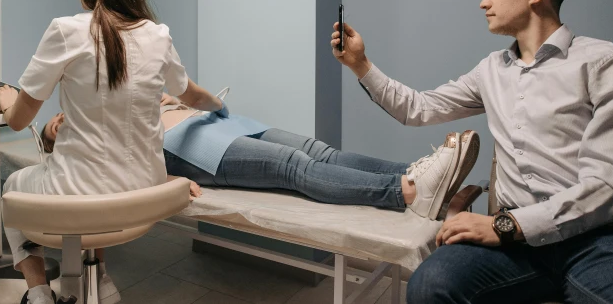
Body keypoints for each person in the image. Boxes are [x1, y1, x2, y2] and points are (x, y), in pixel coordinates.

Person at [331, 0, 613, 303]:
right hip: (512, 247)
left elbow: (609, 187)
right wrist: (360, 63)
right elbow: (417, 108)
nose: (483, 2)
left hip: (594, 241)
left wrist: (505, 226)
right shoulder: (491, 70)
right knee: (431, 285)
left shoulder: (607, 63)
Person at [0, 0, 225, 304]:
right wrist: (219, 105)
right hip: (145, 194)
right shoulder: (157, 35)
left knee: (13, 185)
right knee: (91, 185)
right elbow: (194, 95)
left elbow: (19, 121)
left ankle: (38, 294)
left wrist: (7, 99)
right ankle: (93, 280)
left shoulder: (66, 31)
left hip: (84, 194)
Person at [40, 91, 480, 218]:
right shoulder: (94, 141)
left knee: (317, 150)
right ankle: (406, 191)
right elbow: (126, 167)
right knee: (294, 168)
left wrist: (172, 100)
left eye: (59, 118)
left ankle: (423, 176)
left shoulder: (103, 101)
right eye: (56, 129)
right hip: (193, 149)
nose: (61, 121)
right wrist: (167, 182)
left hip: (219, 124)